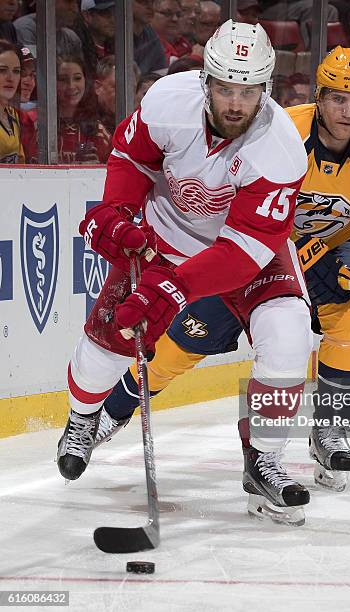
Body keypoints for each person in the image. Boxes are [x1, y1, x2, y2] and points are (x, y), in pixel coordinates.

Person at [86, 45, 350, 495]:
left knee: (347, 323)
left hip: (322, 267)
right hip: (249, 260)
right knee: (178, 347)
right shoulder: (277, 131)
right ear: (319, 95)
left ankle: (323, 431)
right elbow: (234, 212)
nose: (347, 112)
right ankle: (109, 413)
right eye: (338, 98)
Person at [57, 20, 313, 526]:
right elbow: (131, 159)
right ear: (205, 81)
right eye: (224, 88)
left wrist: (176, 289)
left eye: (248, 90)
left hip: (245, 255)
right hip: (164, 238)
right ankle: (82, 418)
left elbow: (244, 249)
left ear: (266, 88)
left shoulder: (280, 149)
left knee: (289, 335)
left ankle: (265, 460)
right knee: (103, 353)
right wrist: (119, 213)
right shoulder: (166, 102)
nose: (235, 103)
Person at [57, 55, 112, 164]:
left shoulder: (99, 131)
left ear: (85, 81)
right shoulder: (36, 124)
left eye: (77, 78)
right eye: (63, 79)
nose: (71, 86)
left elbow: (115, 171)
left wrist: (98, 169)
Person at [14, 0, 83, 58]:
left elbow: (79, 69)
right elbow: (31, 63)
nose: (75, 10)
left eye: (76, 2)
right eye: (68, 2)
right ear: (48, 3)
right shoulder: (25, 28)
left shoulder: (72, 38)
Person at [73, 0, 115, 80]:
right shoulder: (76, 48)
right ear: (87, 15)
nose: (112, 20)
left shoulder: (119, 46)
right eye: (105, 13)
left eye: (115, 13)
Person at [0, 39, 24, 163]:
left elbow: (20, 163)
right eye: (2, 70)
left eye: (16, 71)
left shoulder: (13, 114)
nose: (11, 78)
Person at [133, 0, 167, 74]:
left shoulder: (152, 38)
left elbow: (160, 75)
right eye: (144, 2)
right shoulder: (115, 36)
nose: (151, 8)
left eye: (152, 2)